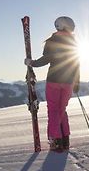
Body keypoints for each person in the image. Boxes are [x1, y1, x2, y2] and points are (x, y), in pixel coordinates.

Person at [24, 16, 80, 152]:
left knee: (54, 111)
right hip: (68, 82)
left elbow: (46, 59)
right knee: (62, 110)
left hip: (54, 80)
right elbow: (76, 63)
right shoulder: (74, 42)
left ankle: (56, 141)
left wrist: (31, 63)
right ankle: (65, 140)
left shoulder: (53, 40)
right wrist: (76, 82)